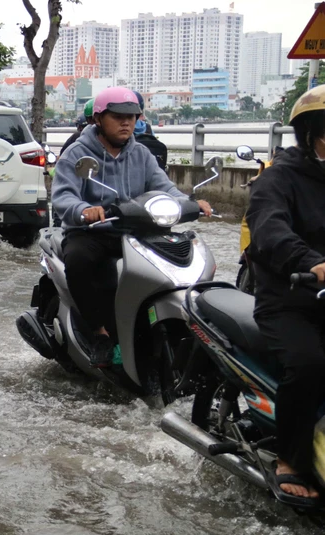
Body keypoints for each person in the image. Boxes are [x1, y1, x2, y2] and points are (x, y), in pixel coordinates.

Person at [52, 86, 212, 366]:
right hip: (92, 233)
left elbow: (164, 188)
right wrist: (84, 210)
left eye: (132, 116)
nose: (126, 122)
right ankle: (99, 332)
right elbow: (63, 197)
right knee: (79, 260)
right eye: (117, 116)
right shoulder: (77, 153)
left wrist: (190, 203)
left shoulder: (142, 154)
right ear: (98, 119)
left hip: (136, 232)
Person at [246, 84, 325, 500]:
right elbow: (269, 228)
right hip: (289, 299)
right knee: (309, 364)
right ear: (312, 133)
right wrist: (311, 263)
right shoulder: (279, 177)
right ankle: (290, 457)